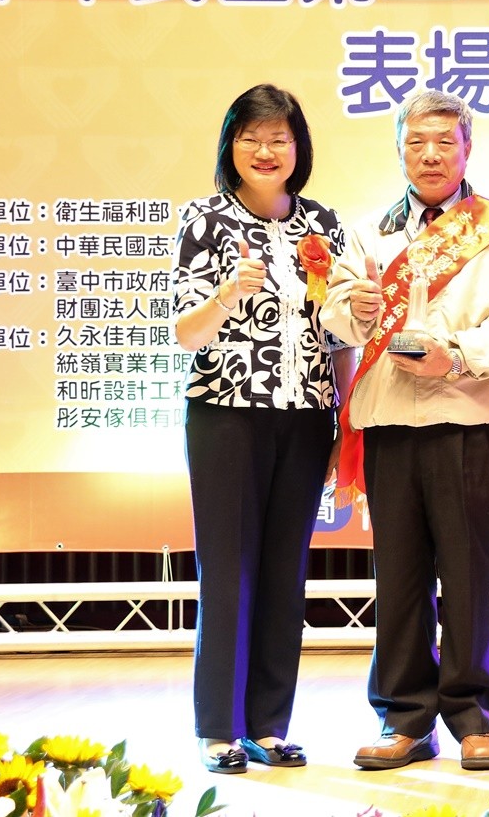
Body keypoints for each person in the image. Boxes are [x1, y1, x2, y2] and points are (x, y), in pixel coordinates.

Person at [321, 89, 489, 772]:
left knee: (471, 575)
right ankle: (404, 719)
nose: (431, 155)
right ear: (399, 151)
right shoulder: (370, 232)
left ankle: (476, 719)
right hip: (390, 422)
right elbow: (337, 318)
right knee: (400, 576)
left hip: (469, 419)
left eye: (445, 141)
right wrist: (356, 307)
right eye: (416, 142)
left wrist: (458, 357)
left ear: (468, 149)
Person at [172, 83, 355, 775]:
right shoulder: (204, 220)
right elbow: (186, 334)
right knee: (228, 572)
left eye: (280, 138)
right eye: (251, 137)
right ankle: (218, 728)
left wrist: (343, 423)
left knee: (284, 572)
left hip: (306, 418)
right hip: (225, 415)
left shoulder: (323, 226)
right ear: (231, 146)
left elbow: (341, 336)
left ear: (298, 147)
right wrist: (226, 294)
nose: (265, 150)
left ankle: (269, 726)